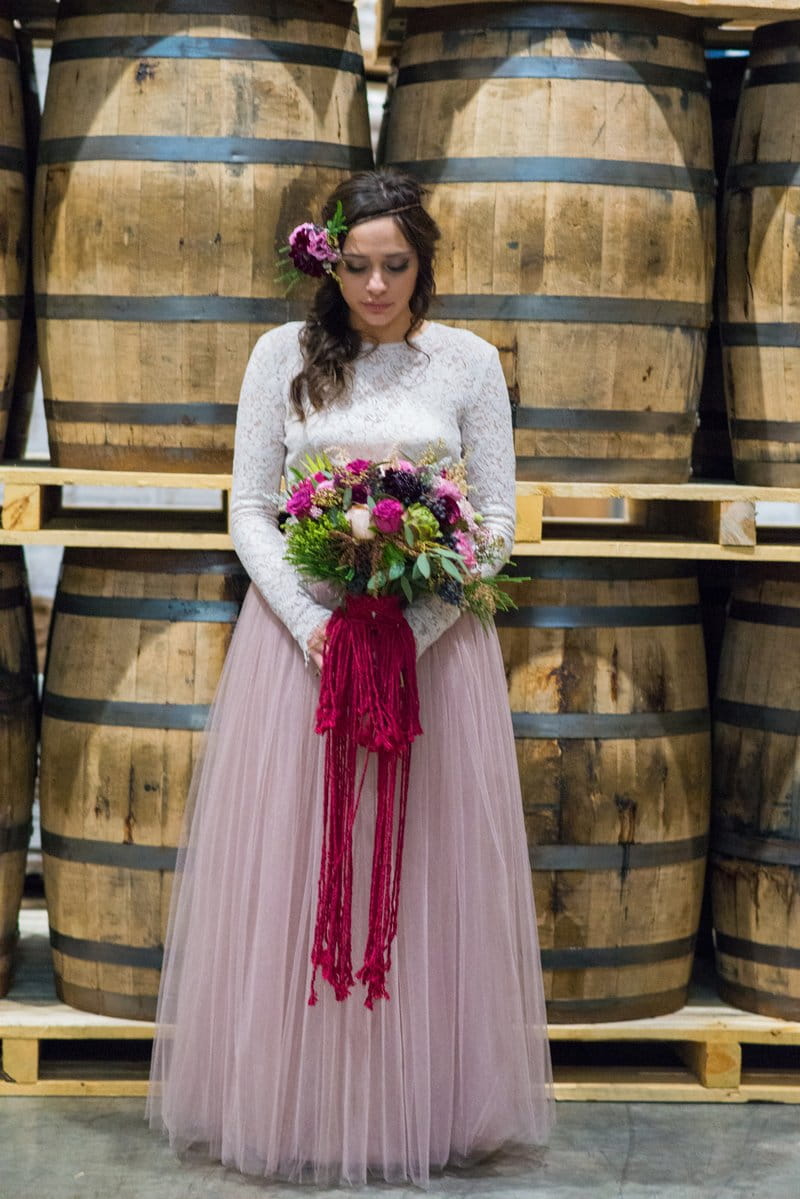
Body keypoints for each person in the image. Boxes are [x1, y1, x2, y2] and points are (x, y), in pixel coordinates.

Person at [146, 168, 554, 1187]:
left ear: (424, 263)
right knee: (295, 869)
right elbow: (248, 507)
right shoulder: (279, 357)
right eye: (357, 266)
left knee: (427, 871)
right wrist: (313, 624)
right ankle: (297, 1098)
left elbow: (495, 523)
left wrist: (410, 627)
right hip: (303, 654)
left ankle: (429, 1097)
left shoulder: (464, 362)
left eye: (395, 265)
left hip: (428, 657)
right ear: (325, 264)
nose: (375, 287)